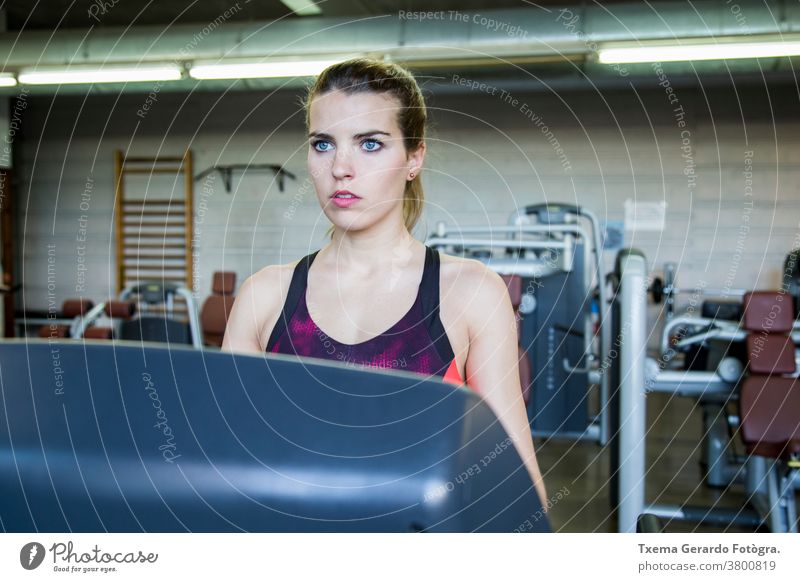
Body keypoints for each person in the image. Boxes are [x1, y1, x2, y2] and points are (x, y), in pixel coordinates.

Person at [222, 58, 547, 508]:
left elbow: (519, 490)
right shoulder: (265, 297)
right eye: (322, 144)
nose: (341, 167)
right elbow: (224, 469)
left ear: (414, 158)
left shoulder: (470, 293)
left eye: (370, 144)